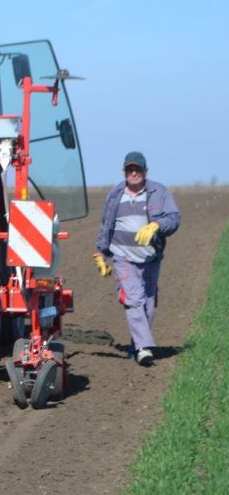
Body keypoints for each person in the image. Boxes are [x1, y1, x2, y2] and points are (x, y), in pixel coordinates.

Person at [94, 152, 181, 366]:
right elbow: (106, 225)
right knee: (133, 299)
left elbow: (174, 218)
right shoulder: (115, 195)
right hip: (123, 257)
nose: (134, 173)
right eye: (130, 170)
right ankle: (143, 348)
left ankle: (137, 345)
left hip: (150, 257)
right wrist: (101, 253)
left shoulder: (159, 192)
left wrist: (157, 225)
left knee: (148, 304)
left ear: (145, 171)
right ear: (124, 172)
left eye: (138, 169)